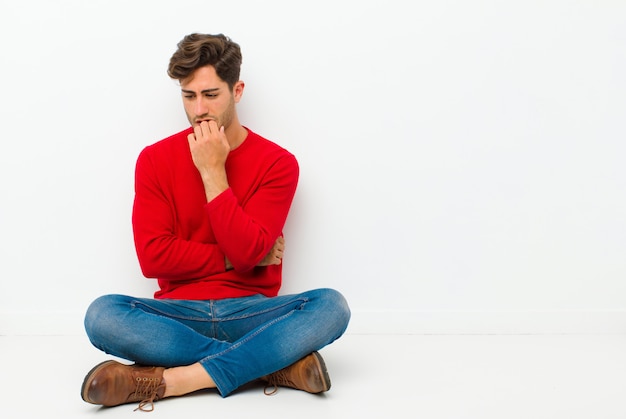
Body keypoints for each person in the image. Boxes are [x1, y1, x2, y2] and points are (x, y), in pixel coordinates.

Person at [80, 33, 351, 412]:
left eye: (210, 94)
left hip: (251, 313)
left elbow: (247, 250)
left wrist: (212, 172)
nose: (198, 109)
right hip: (178, 316)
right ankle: (270, 367)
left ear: (237, 90)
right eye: (188, 96)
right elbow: (154, 258)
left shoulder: (277, 163)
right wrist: (232, 260)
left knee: (332, 306)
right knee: (101, 315)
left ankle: (174, 381)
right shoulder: (154, 160)